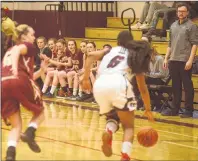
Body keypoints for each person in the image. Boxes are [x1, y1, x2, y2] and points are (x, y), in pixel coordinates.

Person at [81, 30, 154, 161]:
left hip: (100, 86)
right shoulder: (134, 55)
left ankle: (109, 130)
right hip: (119, 84)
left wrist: (85, 78)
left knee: (113, 118)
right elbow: (143, 89)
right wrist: (148, 109)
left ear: (117, 41)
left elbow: (90, 55)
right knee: (129, 127)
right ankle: (125, 156)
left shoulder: (110, 51)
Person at [1, 24, 47, 161]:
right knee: (41, 112)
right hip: (18, 79)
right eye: (32, 34)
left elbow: (29, 77)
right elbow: (17, 52)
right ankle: (30, 133)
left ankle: (10, 155)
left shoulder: (9, 50)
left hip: (3, 84)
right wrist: (15, 69)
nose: (34, 37)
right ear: (24, 36)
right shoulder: (26, 46)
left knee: (16, 125)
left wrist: (42, 70)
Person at [163, 3, 198, 117]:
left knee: (187, 86)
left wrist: (190, 60)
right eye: (179, 11)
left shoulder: (192, 26)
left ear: (187, 13)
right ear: (177, 12)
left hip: (184, 60)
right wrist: (166, 58)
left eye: (183, 11)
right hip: (173, 59)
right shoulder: (173, 25)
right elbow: (170, 44)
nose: (181, 13)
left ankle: (188, 110)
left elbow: (194, 44)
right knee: (175, 86)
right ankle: (174, 110)